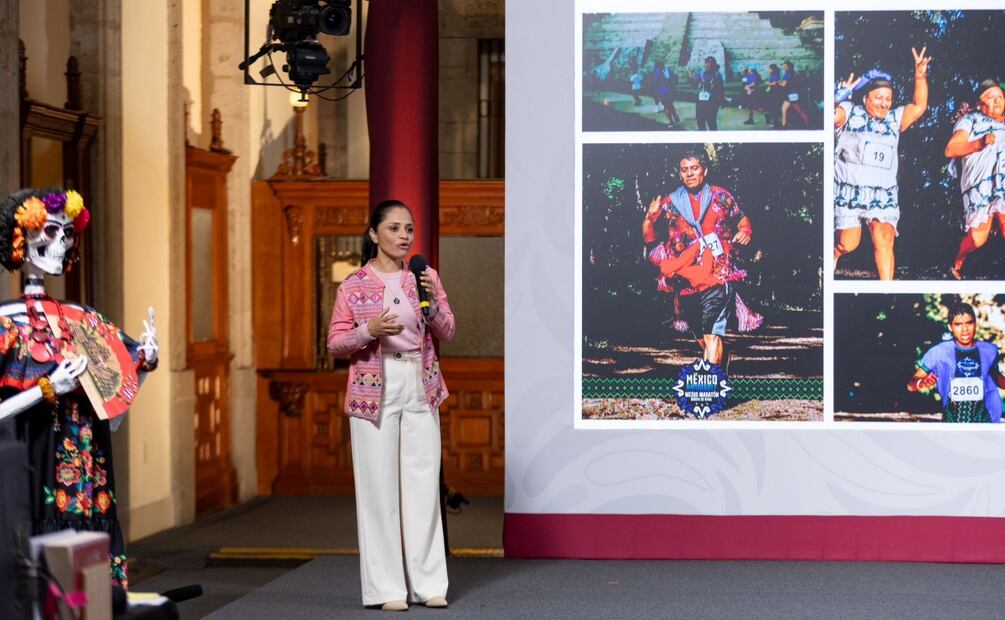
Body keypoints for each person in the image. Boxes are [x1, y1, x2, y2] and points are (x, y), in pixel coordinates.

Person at [0, 187, 159, 589]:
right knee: (38, 567)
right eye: (50, 232)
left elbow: (118, 395)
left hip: (88, 468)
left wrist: (146, 364)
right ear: (22, 238)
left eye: (67, 234)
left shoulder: (83, 317)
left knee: (86, 577)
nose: (61, 243)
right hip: (33, 463)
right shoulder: (6, 322)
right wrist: (47, 389)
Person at [327, 200, 455, 611]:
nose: (404, 236)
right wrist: (369, 329)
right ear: (374, 234)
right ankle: (387, 589)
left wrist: (432, 305)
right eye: (395, 228)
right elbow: (334, 343)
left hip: (421, 381)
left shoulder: (425, 277)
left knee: (422, 487)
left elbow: (448, 330)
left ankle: (429, 583)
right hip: (373, 385)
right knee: (379, 489)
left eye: (409, 229)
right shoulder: (353, 285)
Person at [642, 150, 760, 367]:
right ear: (679, 174)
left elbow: (741, 218)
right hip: (685, 279)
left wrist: (746, 231)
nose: (690, 174)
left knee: (711, 334)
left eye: (694, 168)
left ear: (704, 170)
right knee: (702, 337)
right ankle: (720, 362)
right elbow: (650, 238)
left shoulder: (721, 196)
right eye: (684, 170)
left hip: (717, 274)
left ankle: (710, 390)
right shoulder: (670, 203)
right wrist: (649, 217)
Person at [833, 47, 931, 280]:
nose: (884, 103)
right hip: (850, 191)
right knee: (849, 244)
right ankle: (834, 253)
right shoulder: (850, 112)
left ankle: (886, 289)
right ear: (866, 97)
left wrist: (920, 76)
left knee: (884, 241)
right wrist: (839, 95)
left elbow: (919, 106)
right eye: (879, 98)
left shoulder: (894, 119)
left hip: (883, 195)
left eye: (888, 99)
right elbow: (830, 116)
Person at [907, 302, 1005, 423]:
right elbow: (911, 384)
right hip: (952, 423)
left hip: (986, 422)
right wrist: (921, 383)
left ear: (975, 324)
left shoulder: (990, 350)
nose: (965, 330)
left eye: (969, 323)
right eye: (958, 324)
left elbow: (994, 376)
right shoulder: (938, 352)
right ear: (950, 327)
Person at [947, 80, 1005, 279]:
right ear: (980, 104)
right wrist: (980, 142)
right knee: (977, 238)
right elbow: (951, 149)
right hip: (979, 182)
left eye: (1000, 97)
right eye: (991, 97)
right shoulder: (971, 120)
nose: (997, 101)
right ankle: (958, 260)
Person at [694, 56, 724, 131]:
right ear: (705, 64)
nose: (709, 64)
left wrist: (721, 100)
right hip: (701, 101)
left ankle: (713, 140)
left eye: (712, 62)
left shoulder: (717, 75)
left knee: (711, 121)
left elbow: (719, 88)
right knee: (700, 120)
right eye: (708, 62)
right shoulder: (701, 74)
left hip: (712, 101)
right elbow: (695, 84)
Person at [779, 61, 810, 128]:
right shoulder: (794, 73)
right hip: (792, 94)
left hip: (791, 95)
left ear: (788, 67)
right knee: (784, 109)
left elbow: (784, 85)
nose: (784, 68)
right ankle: (784, 125)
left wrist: (778, 83)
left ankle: (808, 125)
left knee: (800, 111)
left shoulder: (787, 74)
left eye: (785, 66)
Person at [764, 64, 784, 128]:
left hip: (774, 93)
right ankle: (774, 121)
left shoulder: (775, 75)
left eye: (769, 69)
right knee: (772, 108)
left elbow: (775, 83)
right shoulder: (773, 75)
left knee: (774, 108)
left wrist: (768, 83)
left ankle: (775, 122)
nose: (768, 70)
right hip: (772, 93)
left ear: (772, 69)